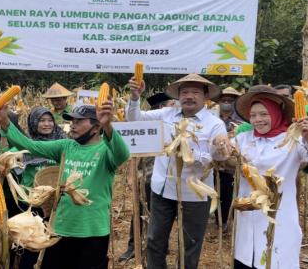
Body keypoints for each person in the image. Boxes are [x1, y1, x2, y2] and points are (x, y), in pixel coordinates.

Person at [0, 101, 130, 269]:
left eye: (79, 121)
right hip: (61, 228)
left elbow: (123, 154)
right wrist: (5, 121)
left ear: (96, 126)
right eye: (72, 122)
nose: (73, 126)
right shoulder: (66, 146)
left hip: (93, 231)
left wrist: (108, 125)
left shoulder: (106, 152)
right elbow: (30, 146)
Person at [126, 73, 227, 269]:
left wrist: (191, 154)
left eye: (195, 92)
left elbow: (219, 158)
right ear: (178, 96)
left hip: (195, 195)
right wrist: (135, 98)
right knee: (155, 240)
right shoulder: (166, 114)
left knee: (190, 244)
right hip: (162, 190)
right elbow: (134, 119)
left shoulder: (215, 124)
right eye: (185, 92)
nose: (189, 96)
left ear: (205, 96)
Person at [214, 85, 307, 269]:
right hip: (247, 215)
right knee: (246, 259)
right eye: (253, 115)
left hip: (279, 218)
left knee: (274, 260)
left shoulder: (293, 141)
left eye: (264, 114)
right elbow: (220, 156)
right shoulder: (243, 139)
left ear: (276, 113)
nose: (258, 120)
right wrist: (219, 143)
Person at [119, 92, 174, 262]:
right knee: (141, 210)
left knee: (163, 216)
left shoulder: (175, 126)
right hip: (148, 177)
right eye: (171, 104)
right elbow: (134, 153)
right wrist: (131, 176)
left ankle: (161, 247)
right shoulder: (148, 125)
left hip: (168, 179)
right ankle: (132, 246)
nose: (174, 107)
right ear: (161, 108)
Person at [214, 86, 243, 231]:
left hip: (230, 165)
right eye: (223, 100)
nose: (226, 102)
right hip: (213, 164)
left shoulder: (241, 121)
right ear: (219, 102)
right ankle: (217, 218)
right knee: (213, 192)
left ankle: (225, 221)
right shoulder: (212, 117)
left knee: (227, 193)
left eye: (230, 100)